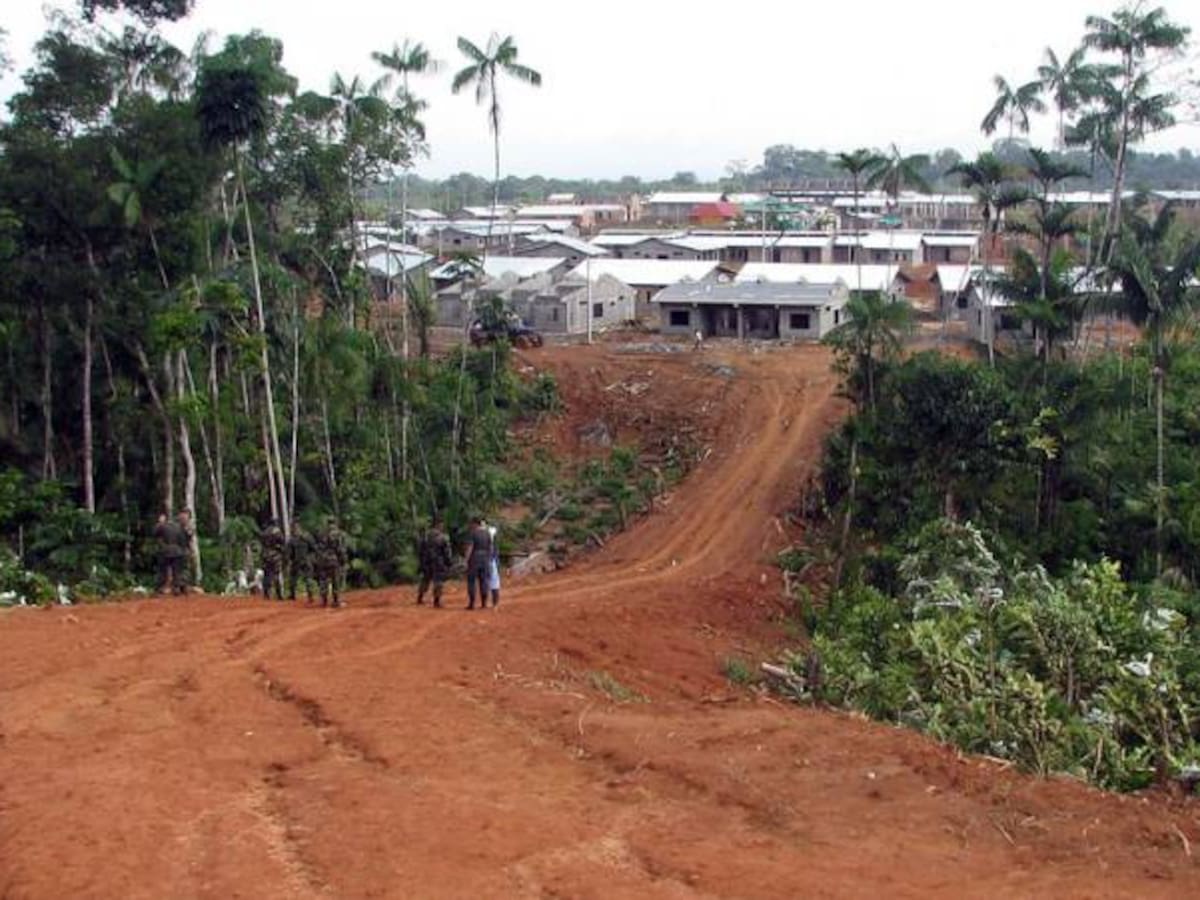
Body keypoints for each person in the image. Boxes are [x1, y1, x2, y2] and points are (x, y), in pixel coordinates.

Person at [416, 515, 452, 608]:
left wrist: (421, 561)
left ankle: (420, 597)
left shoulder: (426, 536)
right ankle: (436, 601)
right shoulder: (443, 537)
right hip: (438, 561)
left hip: (427, 561)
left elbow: (420, 550)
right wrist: (448, 562)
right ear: (439, 524)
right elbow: (446, 551)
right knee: (438, 581)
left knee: (425, 579)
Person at [314, 516, 349, 608]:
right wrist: (343, 560)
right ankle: (336, 601)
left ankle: (324, 601)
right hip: (333, 559)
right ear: (335, 522)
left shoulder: (322, 533)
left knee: (324, 580)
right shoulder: (337, 533)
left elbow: (317, 546)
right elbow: (339, 548)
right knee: (335, 580)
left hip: (322, 559)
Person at [462, 515, 493, 611]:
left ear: (475, 523)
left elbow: (470, 548)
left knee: (472, 581)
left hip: (474, 559)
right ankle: (484, 603)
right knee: (484, 581)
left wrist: (466, 560)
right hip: (485, 559)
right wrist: (489, 559)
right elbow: (491, 547)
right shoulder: (487, 533)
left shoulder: (472, 533)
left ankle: (472, 604)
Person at [158, 509, 192, 595]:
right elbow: (186, 540)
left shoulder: (183, 527)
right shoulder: (179, 527)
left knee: (177, 570)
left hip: (176, 551)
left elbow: (187, 539)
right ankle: (175, 587)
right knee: (176, 570)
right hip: (177, 551)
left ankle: (179, 586)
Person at [286, 518, 316, 603]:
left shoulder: (293, 539)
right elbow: (313, 547)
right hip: (304, 559)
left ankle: (293, 595)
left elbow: (289, 552)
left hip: (297, 560)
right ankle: (310, 595)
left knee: (294, 578)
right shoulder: (306, 536)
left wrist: (289, 560)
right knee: (307, 578)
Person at [260, 519, 286, 600]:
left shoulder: (264, 532)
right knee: (276, 574)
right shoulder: (276, 532)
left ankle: (266, 594)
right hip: (275, 555)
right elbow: (282, 541)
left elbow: (262, 542)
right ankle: (279, 594)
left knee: (266, 574)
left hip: (265, 555)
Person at [486, 521, 501, 608]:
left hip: (490, 560)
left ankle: (494, 602)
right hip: (491, 559)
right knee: (494, 582)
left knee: (491, 581)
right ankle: (494, 603)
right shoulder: (492, 532)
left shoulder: (489, 532)